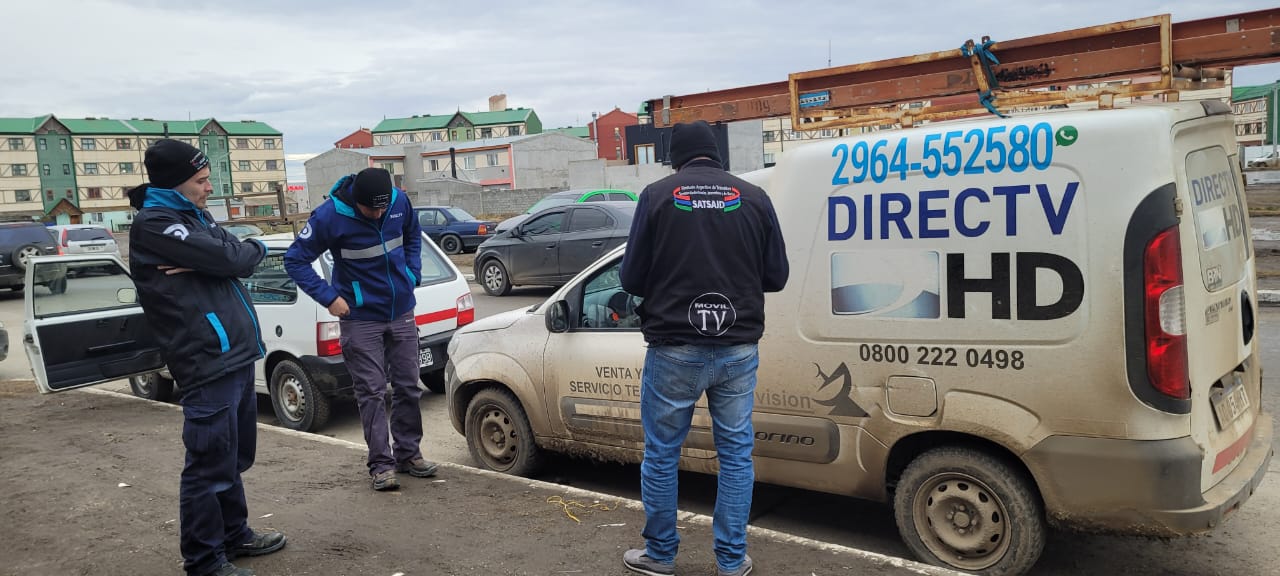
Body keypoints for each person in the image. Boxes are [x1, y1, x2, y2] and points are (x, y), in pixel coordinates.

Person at [619, 121, 789, 576]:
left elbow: (631, 279)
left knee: (662, 454)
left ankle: (660, 554)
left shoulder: (656, 196)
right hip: (737, 348)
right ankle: (731, 561)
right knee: (735, 456)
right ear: (717, 156)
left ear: (676, 157)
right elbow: (777, 277)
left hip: (674, 346)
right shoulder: (754, 197)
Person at [127, 139, 287, 576]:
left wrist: (226, 255)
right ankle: (203, 560)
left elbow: (235, 255)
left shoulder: (190, 216)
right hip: (204, 358)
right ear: (176, 183)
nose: (208, 188)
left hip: (232, 354)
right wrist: (226, 256)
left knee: (233, 458)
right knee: (207, 466)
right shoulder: (157, 224)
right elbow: (233, 256)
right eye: (200, 180)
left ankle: (234, 535)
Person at [284, 167, 436, 491]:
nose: (379, 213)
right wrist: (329, 297)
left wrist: (412, 273)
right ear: (356, 201)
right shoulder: (329, 217)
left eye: (383, 207)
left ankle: (409, 454)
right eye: (372, 209)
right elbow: (295, 259)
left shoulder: (399, 202)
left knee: (409, 385)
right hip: (360, 317)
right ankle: (382, 465)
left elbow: (412, 235)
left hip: (401, 311)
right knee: (372, 391)